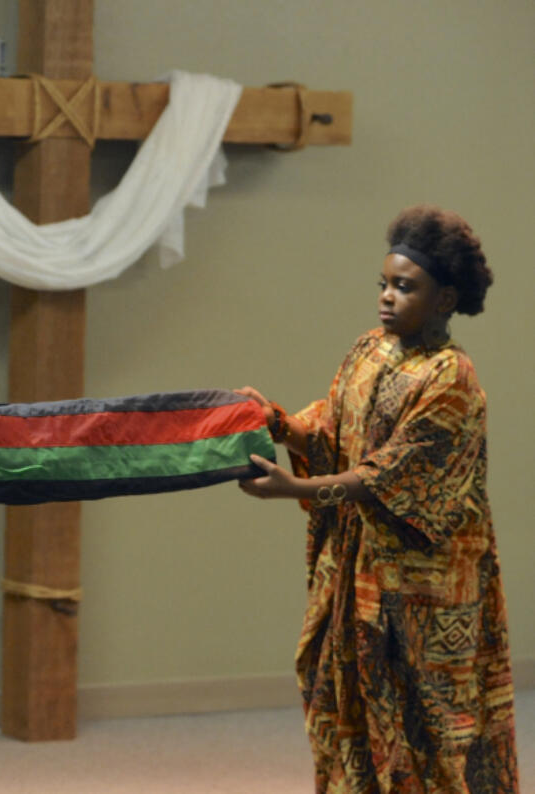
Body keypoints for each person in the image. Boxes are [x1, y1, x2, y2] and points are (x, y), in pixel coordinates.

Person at [236, 205, 517, 791]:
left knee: (429, 729)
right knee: (347, 713)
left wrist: (296, 488)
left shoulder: (452, 378)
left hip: (424, 594)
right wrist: (279, 423)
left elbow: (391, 475)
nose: (387, 297)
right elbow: (335, 428)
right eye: (384, 284)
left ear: (444, 299)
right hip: (357, 569)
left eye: (404, 287)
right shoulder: (370, 350)